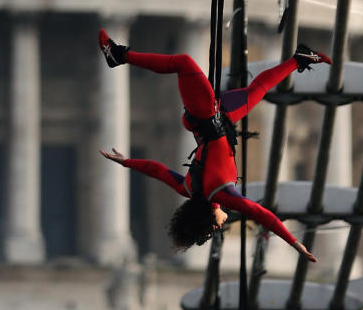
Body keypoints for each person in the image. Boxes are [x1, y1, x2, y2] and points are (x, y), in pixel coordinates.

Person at [98, 28, 330, 259]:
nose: (220, 227)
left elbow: (262, 214)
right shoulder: (188, 189)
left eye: (213, 229)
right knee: (258, 89)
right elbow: (156, 170)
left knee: (183, 63)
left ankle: (119, 56)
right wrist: (126, 162)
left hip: (205, 115)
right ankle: (299, 59)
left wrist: (294, 243)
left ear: (207, 219)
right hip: (222, 118)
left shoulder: (222, 193)